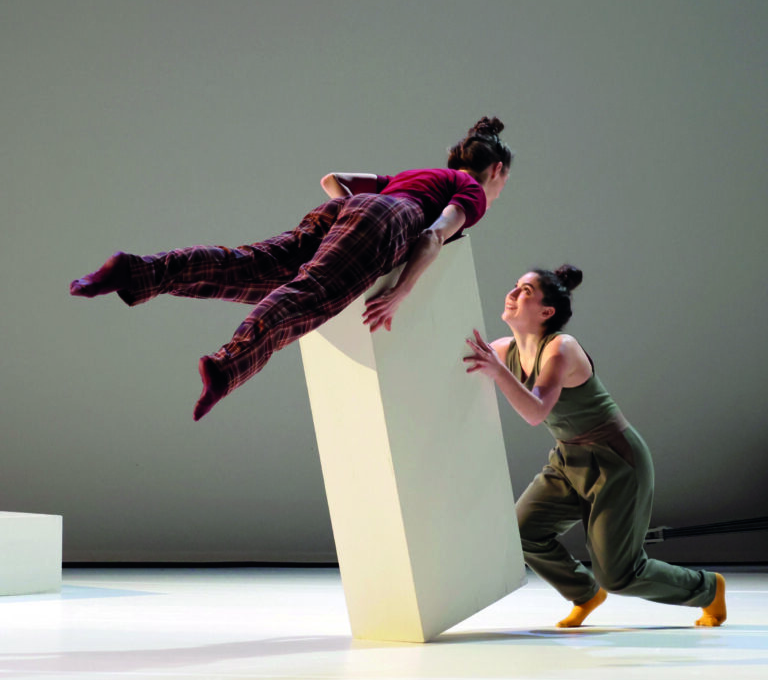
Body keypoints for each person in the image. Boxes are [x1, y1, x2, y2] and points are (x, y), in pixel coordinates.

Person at [70, 117, 512, 421]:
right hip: (387, 221)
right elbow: (432, 236)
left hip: (349, 209)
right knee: (310, 295)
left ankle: (134, 271)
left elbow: (332, 179)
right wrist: (401, 292)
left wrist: (349, 217)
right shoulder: (470, 190)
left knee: (249, 267)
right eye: (503, 181)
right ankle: (227, 366)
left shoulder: (420, 174)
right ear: (496, 169)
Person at [463, 265, 727, 629]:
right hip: (567, 459)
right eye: (515, 286)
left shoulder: (561, 348)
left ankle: (707, 588)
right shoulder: (504, 350)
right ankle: (585, 593)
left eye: (525, 290)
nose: (513, 293)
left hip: (616, 461)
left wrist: (497, 372)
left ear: (546, 312)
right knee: (523, 532)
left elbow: (536, 411)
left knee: (619, 574)